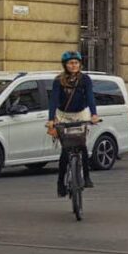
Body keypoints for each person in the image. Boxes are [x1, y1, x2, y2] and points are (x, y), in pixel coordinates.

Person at [47, 51, 100, 197]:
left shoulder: (85, 79)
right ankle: (60, 183)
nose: (74, 65)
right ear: (65, 65)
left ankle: (87, 177)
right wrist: (51, 119)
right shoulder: (58, 80)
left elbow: (90, 97)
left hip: (80, 114)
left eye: (76, 62)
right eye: (70, 63)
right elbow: (53, 100)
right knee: (65, 150)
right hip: (63, 115)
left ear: (80, 64)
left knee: (82, 145)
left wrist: (94, 114)